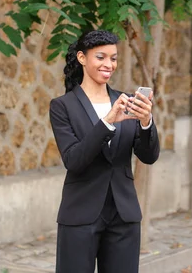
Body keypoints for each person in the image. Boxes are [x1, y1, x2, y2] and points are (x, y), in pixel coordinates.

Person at [49, 29, 160, 273]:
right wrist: (108, 121)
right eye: (101, 57)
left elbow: (149, 156)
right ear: (82, 58)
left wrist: (146, 122)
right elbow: (74, 160)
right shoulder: (62, 106)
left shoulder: (127, 101)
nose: (108, 64)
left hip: (124, 214)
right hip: (80, 213)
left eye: (113, 58)